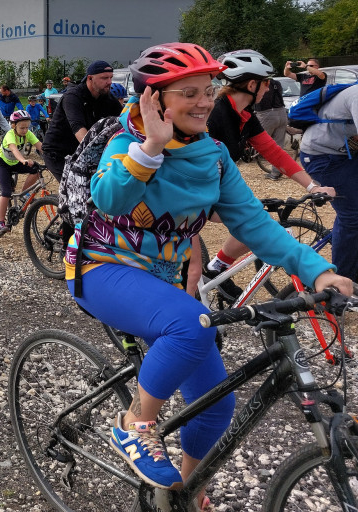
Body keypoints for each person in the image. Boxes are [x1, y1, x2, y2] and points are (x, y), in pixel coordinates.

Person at [69, 42, 351, 501]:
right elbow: (110, 200)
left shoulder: (215, 155)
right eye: (189, 93)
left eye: (209, 90)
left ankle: (184, 490)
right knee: (191, 327)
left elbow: (254, 224)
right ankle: (135, 424)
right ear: (153, 100)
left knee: (217, 407)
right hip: (104, 266)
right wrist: (153, 147)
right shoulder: (125, 145)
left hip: (163, 277)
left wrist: (318, 271)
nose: (205, 101)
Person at [201, 50, 334, 297]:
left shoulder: (245, 115)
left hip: (221, 184)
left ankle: (215, 268)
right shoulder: (215, 115)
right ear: (252, 85)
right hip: (198, 188)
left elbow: (274, 152)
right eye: (266, 83)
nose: (268, 88)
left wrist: (312, 186)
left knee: (254, 219)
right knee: (251, 222)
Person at [299, 81, 358, 280]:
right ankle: (342, 282)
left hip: (345, 153)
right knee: (351, 216)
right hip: (321, 156)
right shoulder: (356, 95)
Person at [41, 60, 122, 180]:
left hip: (82, 152)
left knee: (100, 188)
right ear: (90, 78)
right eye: (104, 78)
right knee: (76, 191)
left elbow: (125, 120)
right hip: (58, 153)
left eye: (111, 77)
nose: (109, 82)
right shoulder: (73, 97)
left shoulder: (107, 98)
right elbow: (79, 130)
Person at [0, 110, 42, 234]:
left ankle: (23, 195)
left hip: (15, 162)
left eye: (27, 127)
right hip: (2, 163)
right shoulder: (10, 135)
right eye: (22, 127)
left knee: (37, 170)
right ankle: (0, 221)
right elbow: (14, 150)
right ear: (13, 126)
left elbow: (41, 146)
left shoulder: (28, 133)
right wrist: (24, 160)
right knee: (6, 192)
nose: (25, 130)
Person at [253, 75, 288, 179]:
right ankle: (276, 172)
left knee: (264, 143)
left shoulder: (258, 83)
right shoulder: (277, 83)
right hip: (281, 113)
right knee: (279, 145)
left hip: (266, 114)